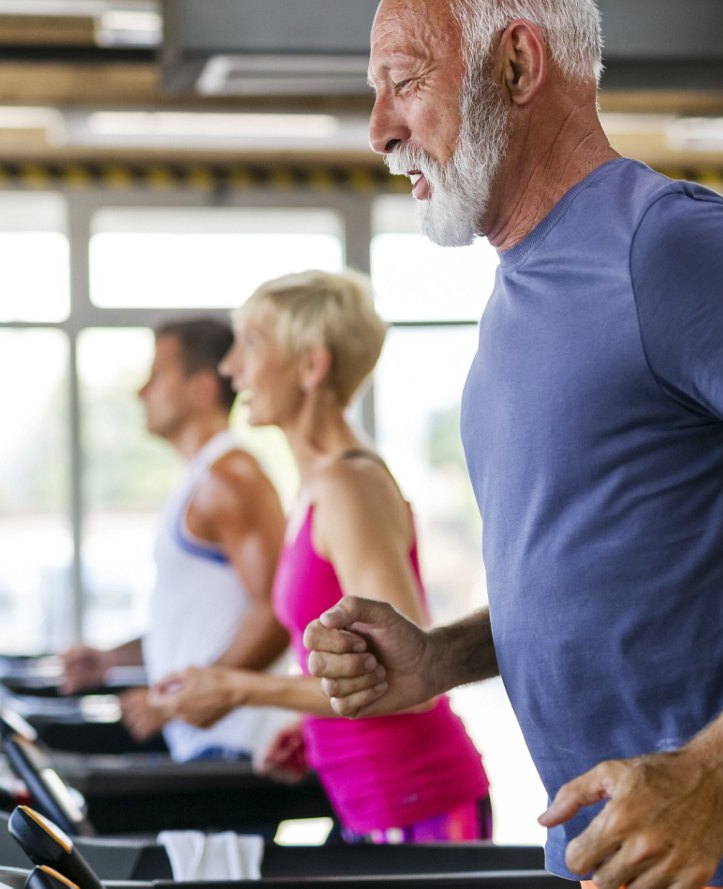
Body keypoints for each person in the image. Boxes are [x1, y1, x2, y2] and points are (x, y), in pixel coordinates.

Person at [303, 1, 723, 887]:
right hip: (611, 856)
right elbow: (616, 580)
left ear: (516, 65)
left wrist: (719, 773)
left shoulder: (669, 246)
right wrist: (443, 657)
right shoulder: (515, 296)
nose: (378, 129)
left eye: (405, 83)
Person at [149, 269, 492, 844]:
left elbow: (413, 679)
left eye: (251, 345)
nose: (231, 368)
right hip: (368, 799)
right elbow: (355, 671)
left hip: (418, 801)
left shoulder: (347, 486)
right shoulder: (315, 485)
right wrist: (306, 727)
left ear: (311, 367)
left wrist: (238, 689)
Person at [60, 318, 290, 763]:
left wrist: (183, 698)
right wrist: (111, 660)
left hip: (233, 744)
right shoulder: (202, 478)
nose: (141, 392)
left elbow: (277, 612)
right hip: (202, 739)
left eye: (157, 375)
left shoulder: (231, 478)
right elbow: (191, 627)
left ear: (201, 389)